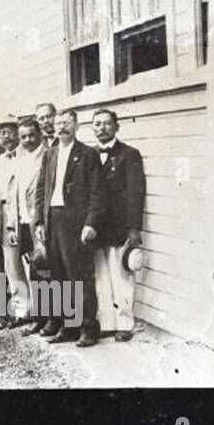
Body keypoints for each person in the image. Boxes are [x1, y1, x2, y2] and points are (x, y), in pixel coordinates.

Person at [34, 109, 103, 346]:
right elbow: (42, 189)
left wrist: (91, 223)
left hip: (76, 223)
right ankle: (68, 327)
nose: (61, 127)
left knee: (79, 276)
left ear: (76, 126)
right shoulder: (50, 154)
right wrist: (39, 222)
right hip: (53, 220)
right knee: (59, 276)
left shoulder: (87, 154)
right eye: (58, 123)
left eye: (66, 123)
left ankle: (88, 329)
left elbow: (97, 193)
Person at [89, 109, 145, 342]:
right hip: (95, 227)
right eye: (97, 124)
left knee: (121, 275)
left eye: (107, 124)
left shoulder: (129, 154)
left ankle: (125, 323)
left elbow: (135, 193)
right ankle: (106, 322)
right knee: (100, 277)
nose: (102, 128)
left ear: (116, 127)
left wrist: (134, 228)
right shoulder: (89, 155)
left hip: (119, 225)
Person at [1, 116, 49, 334]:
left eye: (31, 135)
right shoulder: (19, 160)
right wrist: (11, 226)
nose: (28, 140)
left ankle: (51, 318)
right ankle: (38, 318)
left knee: (46, 270)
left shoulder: (47, 157)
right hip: (21, 223)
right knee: (32, 271)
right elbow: (13, 196)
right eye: (23, 137)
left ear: (39, 134)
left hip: (40, 223)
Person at [0, 118, 23, 327]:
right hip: (2, 217)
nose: (6, 137)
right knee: (11, 266)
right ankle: (20, 310)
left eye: (9, 132)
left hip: (20, 216)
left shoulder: (26, 157)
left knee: (26, 265)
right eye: (2, 133)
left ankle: (35, 311)